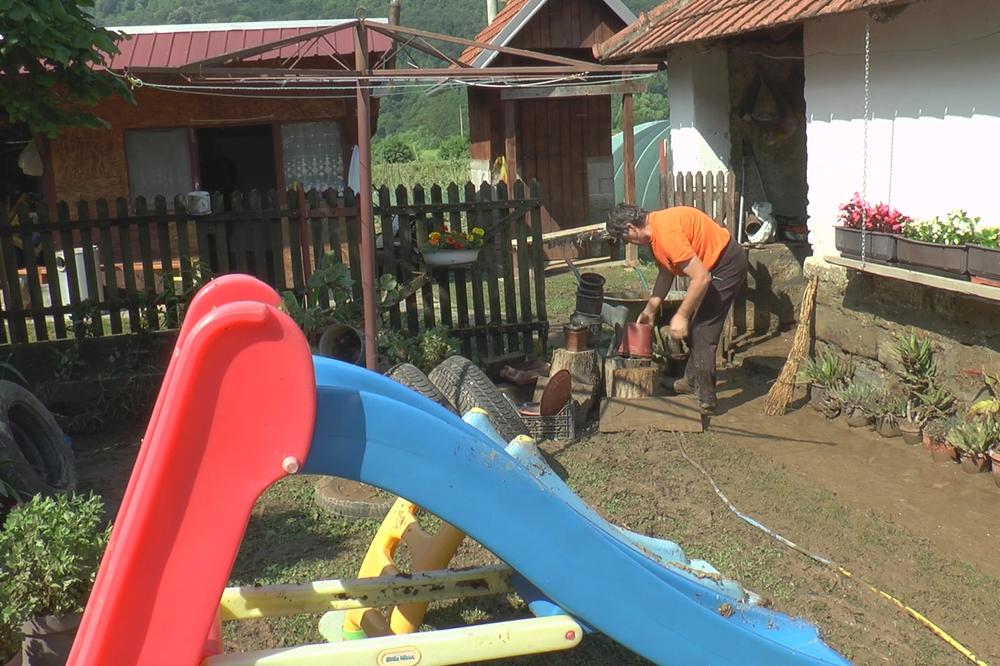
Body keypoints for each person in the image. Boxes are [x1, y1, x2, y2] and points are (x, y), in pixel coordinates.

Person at [605, 204, 747, 413]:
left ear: (630, 228)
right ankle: (691, 381)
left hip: (726, 264)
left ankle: (707, 399)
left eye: (625, 238)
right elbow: (666, 273)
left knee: (702, 332)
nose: (628, 243)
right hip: (710, 267)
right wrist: (651, 309)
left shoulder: (666, 234)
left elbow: (701, 278)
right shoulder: (655, 235)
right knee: (695, 328)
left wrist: (681, 315)